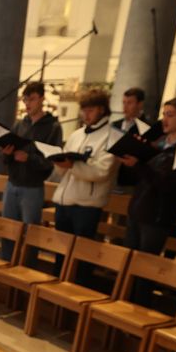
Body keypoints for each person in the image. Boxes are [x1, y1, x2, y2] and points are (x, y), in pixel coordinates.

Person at [119, 95, 176, 255]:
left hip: (157, 216)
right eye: (164, 114)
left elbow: (167, 184)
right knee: (127, 264)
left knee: (144, 267)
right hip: (138, 210)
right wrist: (137, 153)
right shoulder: (159, 142)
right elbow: (138, 178)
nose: (164, 119)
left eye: (170, 115)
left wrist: (139, 164)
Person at [0, 80, 64, 260]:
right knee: (8, 230)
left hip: (33, 188)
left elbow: (52, 161)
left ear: (42, 99)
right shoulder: (20, 124)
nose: (27, 104)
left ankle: (26, 272)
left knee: (30, 234)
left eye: (32, 99)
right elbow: (7, 158)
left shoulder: (53, 127)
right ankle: (3, 268)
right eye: (25, 100)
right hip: (12, 184)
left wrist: (30, 158)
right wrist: (7, 153)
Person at [51, 89, 119, 240]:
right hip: (64, 201)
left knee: (81, 255)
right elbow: (63, 172)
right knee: (61, 252)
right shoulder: (76, 134)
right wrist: (58, 161)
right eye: (83, 110)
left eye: (91, 110)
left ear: (101, 110)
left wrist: (72, 166)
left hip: (87, 206)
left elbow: (102, 171)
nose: (86, 115)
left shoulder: (112, 136)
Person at [112, 87, 147, 192]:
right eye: (124, 103)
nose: (125, 107)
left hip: (132, 179)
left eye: (130, 103)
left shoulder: (147, 127)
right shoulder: (115, 125)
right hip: (112, 175)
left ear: (140, 104)